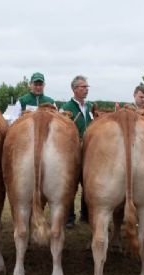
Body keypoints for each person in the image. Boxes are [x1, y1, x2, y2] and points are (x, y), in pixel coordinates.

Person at [60, 75, 93, 228]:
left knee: (88, 182)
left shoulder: (90, 107)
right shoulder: (66, 108)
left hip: (89, 150)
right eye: (83, 87)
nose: (86, 89)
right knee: (70, 184)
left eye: (87, 87)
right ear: (74, 89)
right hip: (72, 150)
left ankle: (86, 214)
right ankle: (69, 217)